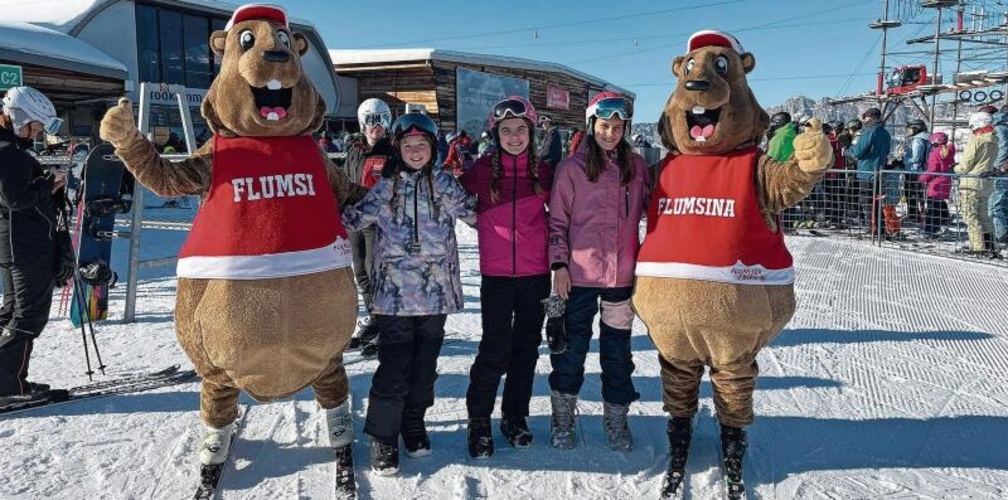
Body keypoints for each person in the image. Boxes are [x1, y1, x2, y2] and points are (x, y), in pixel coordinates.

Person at [342, 112, 476, 475]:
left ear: (432, 148)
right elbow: (353, 220)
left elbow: (479, 216)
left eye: (422, 145)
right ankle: (384, 437)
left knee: (424, 369)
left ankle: (413, 423)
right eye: (407, 145)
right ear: (398, 149)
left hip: (435, 296)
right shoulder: (387, 186)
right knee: (394, 368)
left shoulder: (446, 185)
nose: (415, 151)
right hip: (395, 297)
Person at [547, 91, 649, 452]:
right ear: (592, 126)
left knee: (618, 353)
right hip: (578, 278)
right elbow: (557, 222)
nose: (611, 133)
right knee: (571, 350)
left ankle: (617, 419)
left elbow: (658, 210)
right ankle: (562, 418)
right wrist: (559, 264)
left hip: (620, 280)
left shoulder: (636, 167)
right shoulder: (572, 169)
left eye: (617, 127)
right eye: (604, 126)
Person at [460, 97, 554, 458]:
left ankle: (515, 417)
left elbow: (563, 217)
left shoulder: (544, 173)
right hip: (497, 276)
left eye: (520, 130)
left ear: (531, 132)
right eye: (506, 131)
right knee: (494, 349)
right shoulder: (481, 171)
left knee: (526, 350)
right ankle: (479, 420)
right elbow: (449, 198)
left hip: (535, 275)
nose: (514, 137)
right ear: (495, 133)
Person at [0, 86, 68, 399]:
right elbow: (17, 200)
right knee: (28, 314)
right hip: (25, 245)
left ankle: (13, 378)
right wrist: (49, 184)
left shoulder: (10, 150)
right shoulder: (9, 154)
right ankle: (8, 385)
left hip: (16, 243)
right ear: (19, 118)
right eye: (35, 126)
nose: (36, 133)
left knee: (13, 311)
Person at [342, 98, 396, 356]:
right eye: (371, 120)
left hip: (379, 223)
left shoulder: (392, 152)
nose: (376, 126)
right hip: (355, 219)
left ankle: (387, 327)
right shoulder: (354, 150)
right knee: (361, 272)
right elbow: (345, 181)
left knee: (378, 274)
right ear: (362, 123)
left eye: (381, 120)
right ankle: (375, 321)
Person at [955, 111, 999, 256]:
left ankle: (978, 247)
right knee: (983, 215)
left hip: (971, 182)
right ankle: (991, 246)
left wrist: (955, 168)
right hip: (986, 183)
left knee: (970, 216)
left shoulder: (976, 140)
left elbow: (966, 164)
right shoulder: (994, 141)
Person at [846, 107, 892, 235]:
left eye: (865, 116)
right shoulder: (885, 132)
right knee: (877, 202)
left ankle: (873, 229)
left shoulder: (869, 131)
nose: (864, 119)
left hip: (867, 171)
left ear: (870, 117)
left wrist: (847, 150)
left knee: (867, 201)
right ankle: (879, 228)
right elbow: (887, 151)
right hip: (880, 171)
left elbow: (858, 152)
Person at [919, 131, 955, 237]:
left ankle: (930, 230)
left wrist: (922, 178)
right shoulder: (949, 152)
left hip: (935, 183)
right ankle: (944, 220)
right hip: (946, 181)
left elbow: (933, 169)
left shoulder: (935, 153)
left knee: (932, 208)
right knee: (939, 204)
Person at [902, 118, 930, 224]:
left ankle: (914, 216)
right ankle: (921, 215)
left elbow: (916, 157)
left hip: (913, 170)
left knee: (911, 194)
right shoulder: (927, 138)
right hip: (922, 170)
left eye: (910, 129)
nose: (908, 131)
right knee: (920, 195)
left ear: (916, 128)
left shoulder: (918, 139)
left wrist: (903, 160)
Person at [988, 105, 1008, 244]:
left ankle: (1000, 235)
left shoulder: (999, 128)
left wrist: (996, 167)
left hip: (1000, 172)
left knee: (995, 204)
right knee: (1002, 203)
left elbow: (1003, 147)